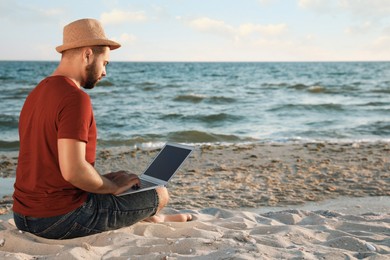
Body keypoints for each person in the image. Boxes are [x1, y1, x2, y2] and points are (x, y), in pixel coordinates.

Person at [13, 18, 191, 240]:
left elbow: (53, 167)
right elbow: (74, 171)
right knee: (160, 194)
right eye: (105, 63)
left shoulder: (36, 93)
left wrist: (107, 180)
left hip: (23, 215)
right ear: (88, 55)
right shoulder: (75, 98)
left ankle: (153, 219)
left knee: (124, 180)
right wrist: (110, 187)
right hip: (59, 218)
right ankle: (154, 214)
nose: (105, 72)